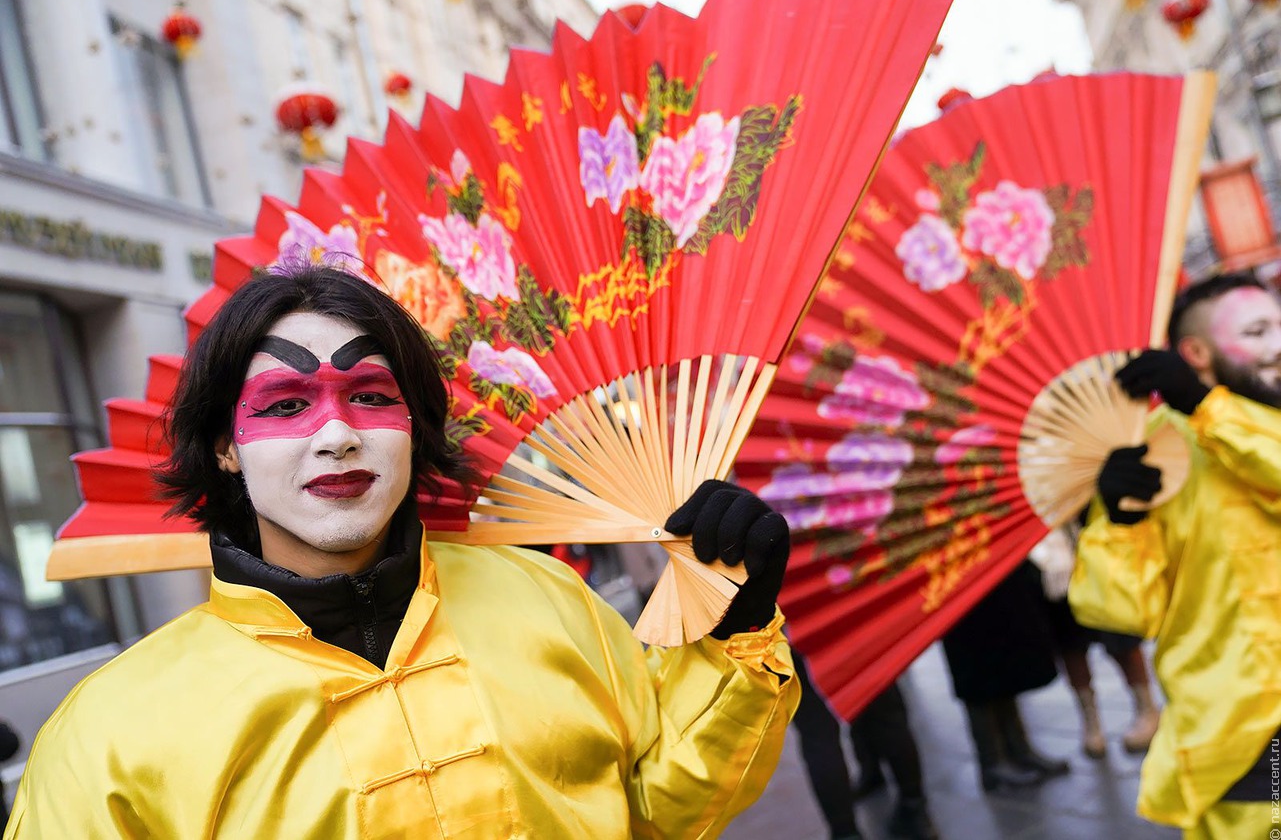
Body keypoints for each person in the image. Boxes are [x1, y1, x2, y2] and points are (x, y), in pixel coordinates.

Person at [5, 266, 799, 838]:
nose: (339, 433)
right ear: (223, 447)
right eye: (286, 404)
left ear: (414, 428)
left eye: (372, 396)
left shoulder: (551, 600)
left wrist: (736, 628)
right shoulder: (110, 731)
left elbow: (668, 809)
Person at [1070, 271, 1281, 838]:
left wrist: (1208, 408)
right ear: (1196, 352)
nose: (1279, 346)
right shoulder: (1157, 451)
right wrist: (1120, 521)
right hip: (1233, 736)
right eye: (1258, 331)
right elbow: (1120, 612)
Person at [1029, 523, 1161, 758]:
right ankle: (1090, 720)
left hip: (1097, 542)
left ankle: (1147, 709)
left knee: (1120, 634)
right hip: (1049, 550)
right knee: (1071, 643)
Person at [942, 559, 1071, 793]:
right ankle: (992, 761)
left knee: (1005, 661)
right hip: (953, 580)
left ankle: (1019, 749)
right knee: (974, 668)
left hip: (992, 571)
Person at [790, 651, 938, 840]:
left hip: (789, 638)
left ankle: (846, 833)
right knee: (886, 708)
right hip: (849, 631)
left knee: (818, 734)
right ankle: (914, 807)